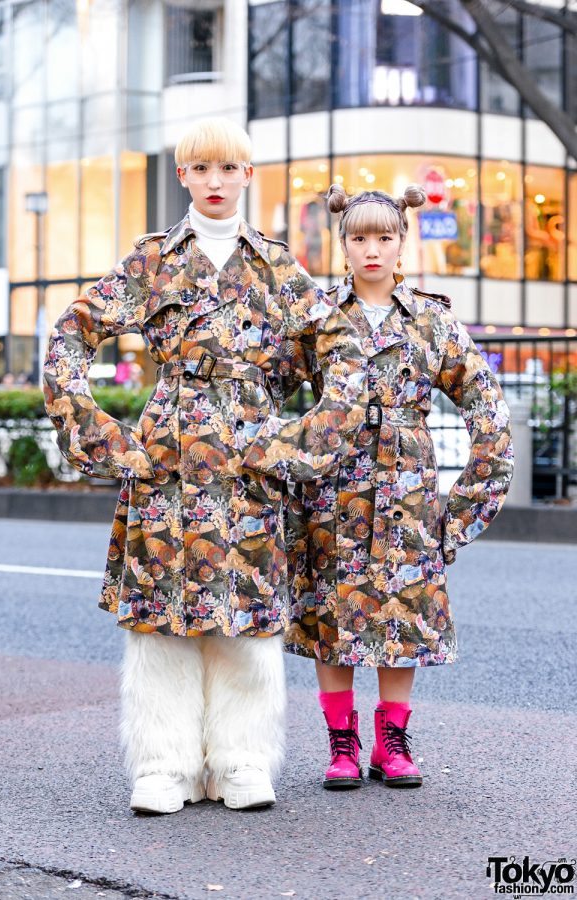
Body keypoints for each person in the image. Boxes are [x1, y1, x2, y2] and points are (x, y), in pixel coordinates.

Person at [42, 118, 367, 814]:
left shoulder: (279, 267)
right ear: (183, 177)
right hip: (167, 461)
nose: (215, 182)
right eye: (201, 169)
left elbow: (346, 359)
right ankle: (163, 766)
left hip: (253, 465)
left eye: (229, 168)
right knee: (161, 619)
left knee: (248, 620)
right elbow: (71, 333)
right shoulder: (153, 259)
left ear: (249, 176)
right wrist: (98, 432)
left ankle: (243, 760)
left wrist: (299, 446)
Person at [285, 182, 514, 789]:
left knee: (402, 617)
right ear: (342, 244)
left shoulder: (433, 318)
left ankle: (393, 743)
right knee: (334, 616)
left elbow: (487, 412)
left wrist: (459, 515)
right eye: (359, 238)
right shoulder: (317, 318)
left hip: (410, 495)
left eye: (384, 237)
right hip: (333, 494)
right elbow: (268, 394)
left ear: (402, 242)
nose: (372, 250)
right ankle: (341, 746)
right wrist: (283, 476)